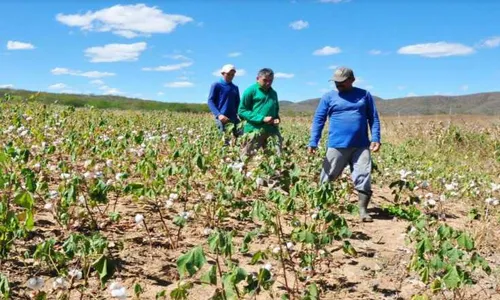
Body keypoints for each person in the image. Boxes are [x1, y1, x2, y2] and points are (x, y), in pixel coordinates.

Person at [308, 66, 381, 222]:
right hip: (337, 144)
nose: (338, 85)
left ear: (352, 80)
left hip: (361, 145)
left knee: (363, 176)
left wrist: (376, 138)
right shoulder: (328, 97)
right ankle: (320, 208)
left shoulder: (364, 95)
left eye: (342, 82)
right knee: (328, 176)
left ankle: (362, 210)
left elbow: (373, 118)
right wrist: (313, 141)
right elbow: (319, 120)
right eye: (336, 82)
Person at [238, 68, 282, 157]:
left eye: (271, 80)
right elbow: (242, 111)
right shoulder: (250, 91)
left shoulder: (273, 93)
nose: (268, 83)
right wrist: (262, 118)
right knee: (247, 157)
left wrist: (277, 119)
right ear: (257, 78)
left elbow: (276, 110)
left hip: (272, 130)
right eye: (265, 80)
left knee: (276, 156)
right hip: (254, 130)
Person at [207, 64, 241, 143]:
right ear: (223, 73)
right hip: (222, 118)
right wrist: (219, 115)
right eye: (228, 74)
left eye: (232, 74)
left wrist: (240, 115)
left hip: (233, 118)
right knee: (225, 141)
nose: (230, 76)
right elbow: (210, 101)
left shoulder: (235, 88)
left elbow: (238, 103)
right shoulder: (216, 85)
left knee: (240, 138)